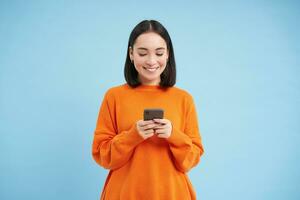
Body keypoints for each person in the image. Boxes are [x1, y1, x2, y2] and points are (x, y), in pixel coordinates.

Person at [92, 19, 204, 200]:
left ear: (168, 54)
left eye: (159, 53)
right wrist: (132, 135)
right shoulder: (114, 96)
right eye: (142, 53)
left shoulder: (184, 99)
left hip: (173, 194)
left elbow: (191, 160)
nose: (152, 61)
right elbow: (102, 155)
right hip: (124, 193)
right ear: (131, 54)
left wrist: (172, 134)